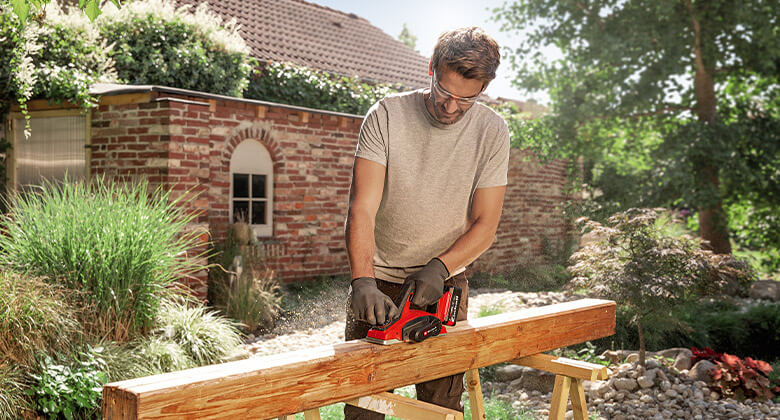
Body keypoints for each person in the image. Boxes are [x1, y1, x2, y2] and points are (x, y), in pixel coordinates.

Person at [344, 26, 510, 419]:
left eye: (466, 100)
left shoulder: (492, 131)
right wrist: (363, 281)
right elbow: (361, 209)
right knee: (364, 409)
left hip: (444, 286)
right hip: (377, 285)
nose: (451, 107)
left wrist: (441, 267)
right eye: (444, 92)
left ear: (483, 90)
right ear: (431, 68)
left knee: (439, 409)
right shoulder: (386, 115)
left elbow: (486, 225)